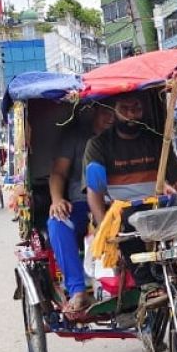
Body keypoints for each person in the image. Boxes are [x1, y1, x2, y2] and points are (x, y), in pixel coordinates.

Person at [84, 92, 177, 304]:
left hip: (156, 207)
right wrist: (103, 226)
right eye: (125, 108)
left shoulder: (159, 142)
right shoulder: (99, 145)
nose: (132, 114)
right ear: (114, 112)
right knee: (127, 216)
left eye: (137, 108)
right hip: (123, 213)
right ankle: (147, 285)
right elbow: (94, 194)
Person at [49, 104, 115, 314]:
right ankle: (78, 290)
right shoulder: (76, 137)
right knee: (57, 222)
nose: (111, 117)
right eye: (106, 111)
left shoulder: (125, 135)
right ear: (94, 110)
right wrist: (57, 199)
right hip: (81, 204)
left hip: (120, 202)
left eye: (116, 112)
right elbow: (58, 172)